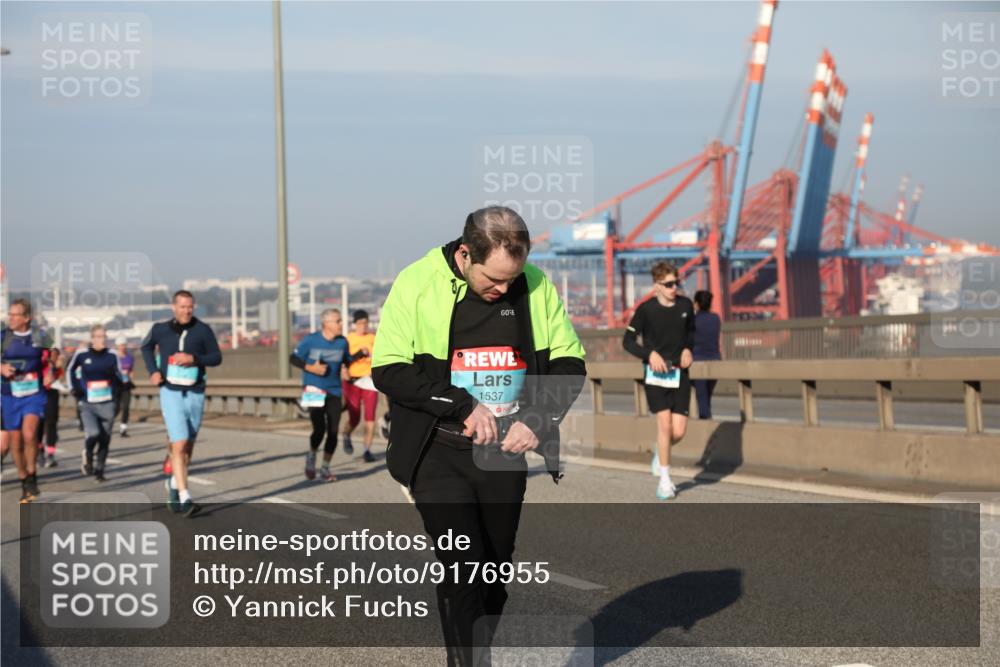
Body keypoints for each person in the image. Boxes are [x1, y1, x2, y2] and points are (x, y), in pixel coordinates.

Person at [372, 206, 586, 665]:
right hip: (436, 449)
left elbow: (570, 364)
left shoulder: (535, 286)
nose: (504, 289)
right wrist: (464, 403)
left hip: (502, 455)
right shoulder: (417, 282)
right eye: (494, 279)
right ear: (466, 254)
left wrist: (538, 417)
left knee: (493, 572)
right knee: (463, 565)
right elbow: (387, 369)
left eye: (513, 278)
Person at [141, 290, 222, 517]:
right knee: (179, 443)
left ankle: (174, 484)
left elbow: (216, 357)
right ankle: (186, 497)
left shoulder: (202, 330)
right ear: (173, 307)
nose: (186, 310)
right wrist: (153, 372)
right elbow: (145, 347)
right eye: (182, 306)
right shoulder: (160, 330)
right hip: (170, 390)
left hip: (195, 391)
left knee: (188, 447)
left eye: (190, 307)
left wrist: (194, 359)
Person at [623, 262, 695, 500]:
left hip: (679, 374)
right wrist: (649, 354)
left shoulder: (686, 305)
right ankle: (665, 481)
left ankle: (660, 451)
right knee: (664, 426)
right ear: (657, 286)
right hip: (655, 376)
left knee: (679, 431)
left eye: (677, 283)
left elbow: (692, 333)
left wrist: (687, 349)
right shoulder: (646, 310)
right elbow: (628, 341)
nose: (674, 287)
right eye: (669, 284)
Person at [290, 308, 358, 482]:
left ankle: (325, 468)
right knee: (319, 429)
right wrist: (311, 368)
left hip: (334, 390)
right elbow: (293, 358)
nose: (342, 324)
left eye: (341, 321)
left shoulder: (343, 342)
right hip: (313, 389)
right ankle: (312, 455)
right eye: (338, 321)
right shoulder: (311, 340)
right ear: (326, 324)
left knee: (333, 432)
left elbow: (346, 361)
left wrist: (346, 369)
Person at [1, 299, 54, 503]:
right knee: (15, 442)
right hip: (9, 395)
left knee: (30, 434)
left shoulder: (39, 335)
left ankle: (32, 475)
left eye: (15, 315)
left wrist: (51, 372)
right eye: (10, 314)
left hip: (34, 394)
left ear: (26, 318)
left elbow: (55, 355)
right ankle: (23, 478)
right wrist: (2, 368)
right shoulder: (3, 337)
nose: (10, 318)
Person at [67, 325, 124, 482]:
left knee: (105, 438)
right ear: (92, 338)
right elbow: (70, 370)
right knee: (93, 433)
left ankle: (100, 471)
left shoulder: (112, 355)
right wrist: (74, 389)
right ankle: (88, 454)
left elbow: (119, 375)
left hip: (107, 403)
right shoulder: (81, 354)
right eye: (98, 336)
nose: (102, 340)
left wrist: (121, 384)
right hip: (88, 403)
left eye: (104, 336)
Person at [341, 309, 378, 463]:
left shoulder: (373, 338)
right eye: (360, 323)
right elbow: (343, 360)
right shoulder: (348, 340)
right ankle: (346, 434)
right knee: (354, 418)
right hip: (352, 381)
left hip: (369, 381)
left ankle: (367, 450)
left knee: (370, 418)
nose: (363, 326)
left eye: (365, 323)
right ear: (355, 324)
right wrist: (344, 369)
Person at [692, 290, 722, 420]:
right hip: (715, 361)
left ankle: (706, 424)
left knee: (702, 398)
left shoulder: (692, 321)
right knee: (706, 396)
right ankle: (707, 418)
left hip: (697, 362)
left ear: (696, 304)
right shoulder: (716, 319)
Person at [38, 347, 67, 467]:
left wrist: (59, 367)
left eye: (56, 355)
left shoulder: (57, 368)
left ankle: (50, 454)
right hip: (39, 394)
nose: (53, 357)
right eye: (52, 355)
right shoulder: (41, 364)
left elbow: (61, 380)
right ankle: (40, 452)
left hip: (52, 395)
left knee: (51, 424)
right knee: (39, 425)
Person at [115, 336, 135, 437]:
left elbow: (131, 370)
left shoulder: (130, 357)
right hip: (116, 385)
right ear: (117, 346)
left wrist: (131, 379)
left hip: (126, 385)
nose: (122, 347)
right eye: (120, 345)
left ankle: (123, 429)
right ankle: (107, 424)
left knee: (126, 407)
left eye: (124, 345)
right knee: (116, 408)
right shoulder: (114, 357)